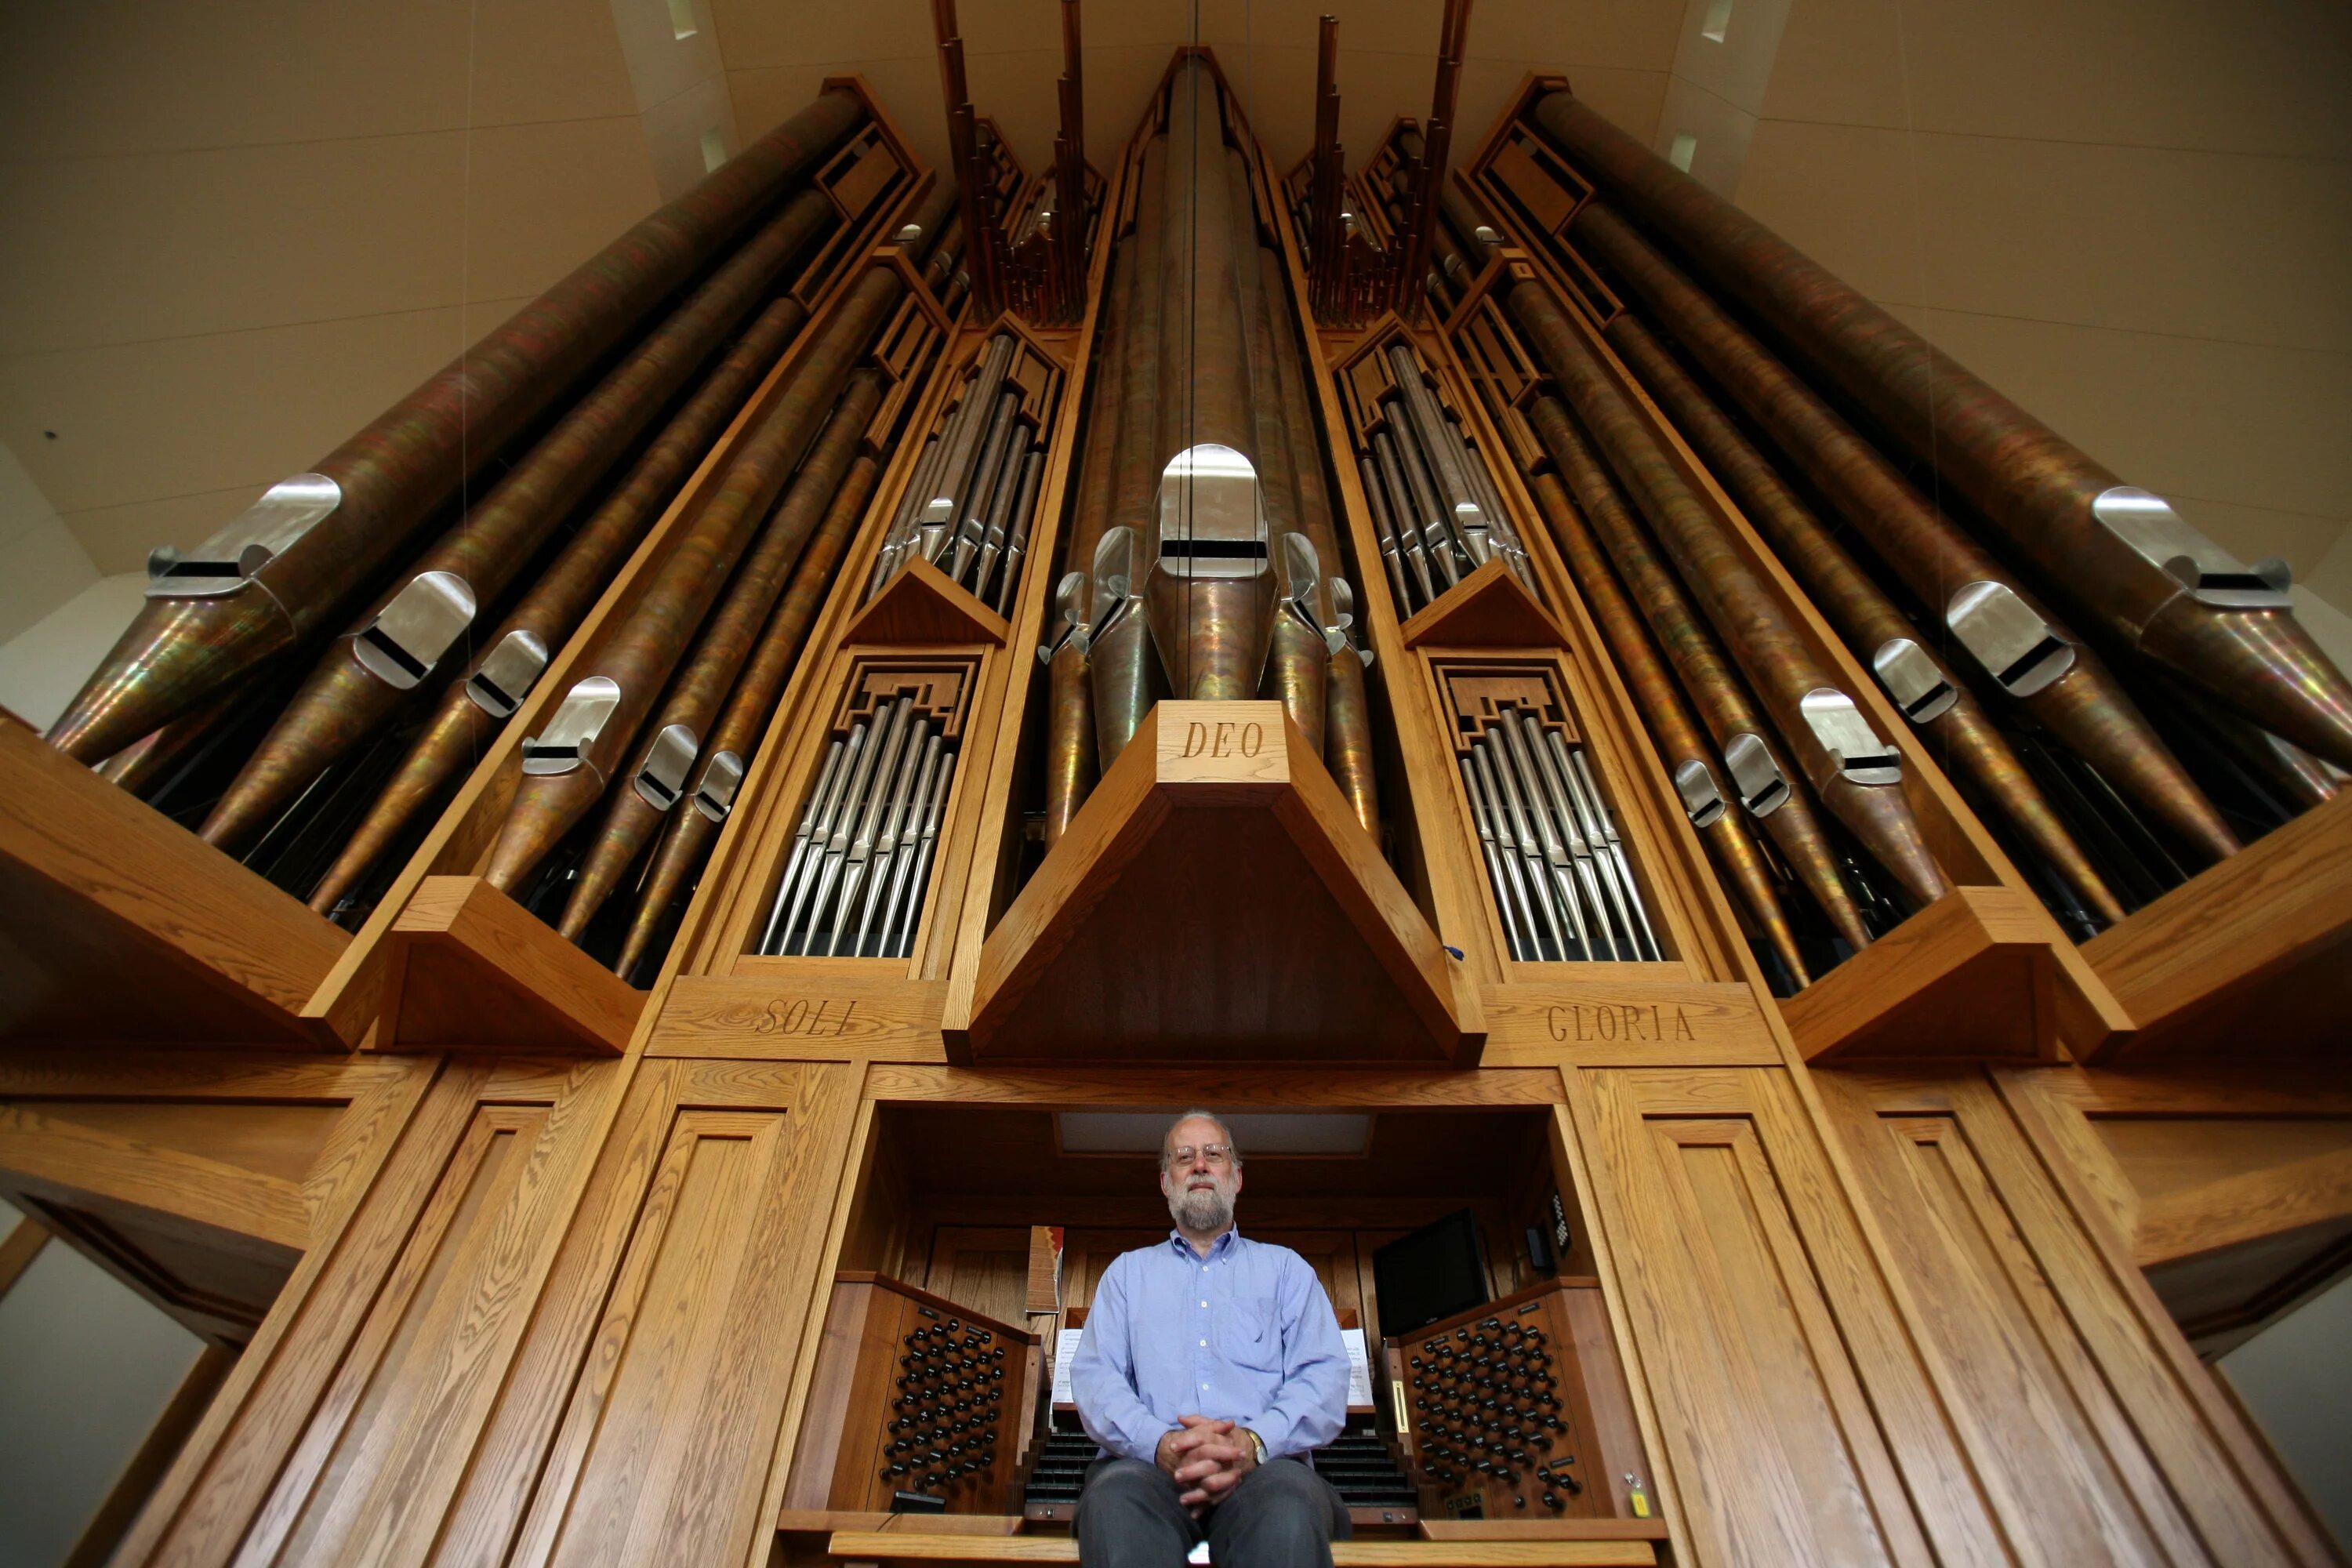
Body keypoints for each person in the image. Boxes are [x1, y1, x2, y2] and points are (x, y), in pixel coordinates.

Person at [1070, 1111, 1352, 1568]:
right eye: (1184, 1157)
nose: (1199, 1165)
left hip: (1266, 1472)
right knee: (1114, 1501)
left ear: (1236, 1177)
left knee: (1287, 1509)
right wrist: (1161, 1443)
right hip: (1144, 1472)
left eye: (1213, 1154)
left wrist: (1252, 1444)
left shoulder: (1287, 1272)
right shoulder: (1126, 1275)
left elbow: (1323, 1380)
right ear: (1166, 1183)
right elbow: (1096, 1379)